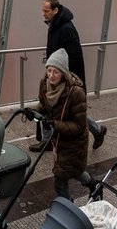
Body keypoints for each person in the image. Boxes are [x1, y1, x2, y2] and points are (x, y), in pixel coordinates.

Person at [36, 0, 106, 151]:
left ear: (55, 10)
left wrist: (68, 79)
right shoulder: (55, 25)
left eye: (46, 11)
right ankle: (48, 140)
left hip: (64, 75)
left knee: (68, 110)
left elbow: (74, 57)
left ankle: (97, 129)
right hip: (56, 71)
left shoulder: (66, 28)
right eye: (42, 10)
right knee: (51, 104)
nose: (43, 14)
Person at [37, 49, 89, 201]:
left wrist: (54, 124)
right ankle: (93, 184)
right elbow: (44, 104)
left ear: (64, 73)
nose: (51, 75)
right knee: (76, 172)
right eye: (49, 70)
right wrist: (34, 111)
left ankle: (68, 209)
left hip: (74, 144)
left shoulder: (76, 93)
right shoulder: (44, 84)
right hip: (58, 141)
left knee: (60, 181)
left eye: (55, 72)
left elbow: (80, 126)